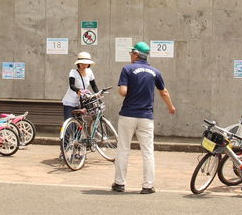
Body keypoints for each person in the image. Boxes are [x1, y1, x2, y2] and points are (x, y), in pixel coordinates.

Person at [112, 41, 176, 194]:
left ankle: (119, 183)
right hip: (146, 117)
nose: (130, 56)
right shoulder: (155, 72)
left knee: (123, 149)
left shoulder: (127, 69)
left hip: (128, 115)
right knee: (147, 151)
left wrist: (126, 88)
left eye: (131, 53)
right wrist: (171, 107)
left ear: (136, 54)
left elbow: (123, 91)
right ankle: (148, 186)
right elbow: (163, 92)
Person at [62, 52, 99, 120]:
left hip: (82, 101)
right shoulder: (73, 72)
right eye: (82, 63)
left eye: (86, 63)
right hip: (70, 101)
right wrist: (78, 90)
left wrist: (98, 93)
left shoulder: (89, 72)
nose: (84, 65)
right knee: (69, 123)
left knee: (79, 124)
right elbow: (71, 85)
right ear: (78, 63)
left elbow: (93, 86)